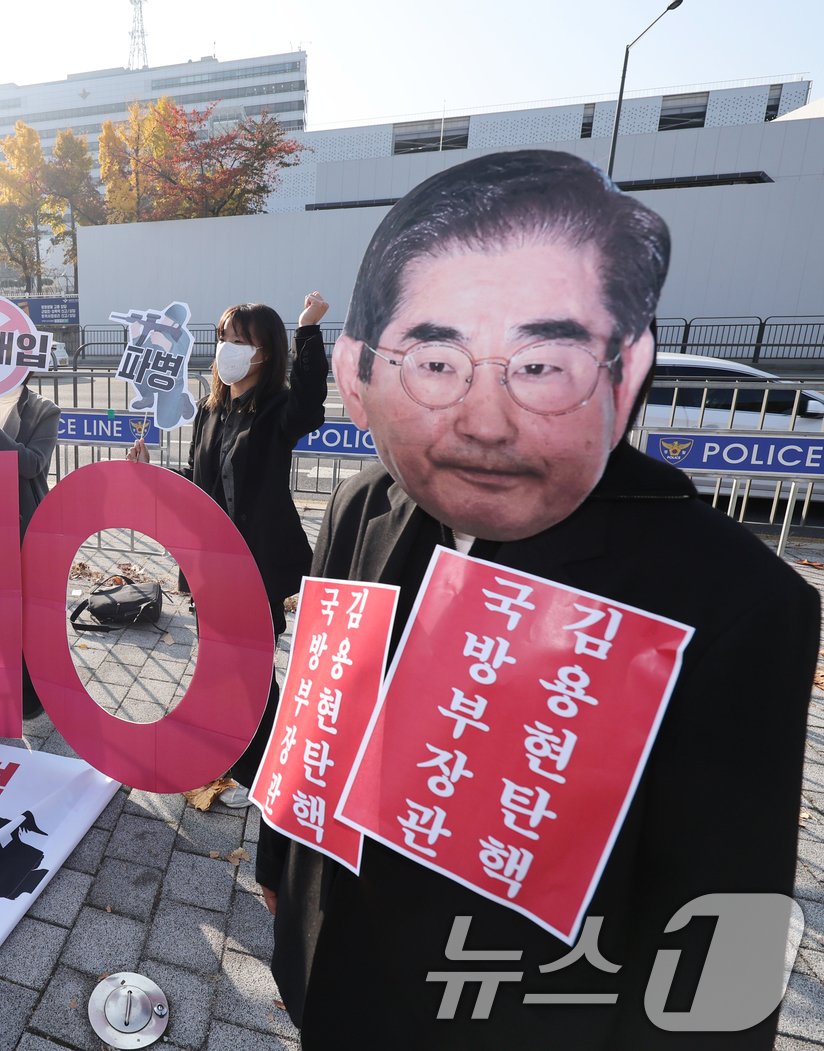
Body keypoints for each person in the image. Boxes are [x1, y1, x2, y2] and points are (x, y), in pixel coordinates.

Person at [257, 150, 819, 1049]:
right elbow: (319, 724)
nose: (485, 422)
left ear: (624, 367)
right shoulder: (366, 503)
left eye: (543, 364)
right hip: (334, 980)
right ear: (371, 369)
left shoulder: (733, 607)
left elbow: (717, 959)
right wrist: (279, 872)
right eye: (438, 361)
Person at [127, 293, 330, 805]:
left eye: (240, 342)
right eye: (223, 340)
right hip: (212, 563)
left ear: (265, 353)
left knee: (249, 669)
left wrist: (308, 330)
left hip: (259, 561)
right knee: (226, 665)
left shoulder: (278, 408)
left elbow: (309, 404)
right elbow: (201, 484)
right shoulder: (213, 411)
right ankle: (244, 752)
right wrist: (153, 474)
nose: (228, 350)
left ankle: (260, 769)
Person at [0, 377, 62, 717]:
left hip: (24, 522)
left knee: (27, 608)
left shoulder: (43, 410)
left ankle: (31, 690)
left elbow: (34, 463)